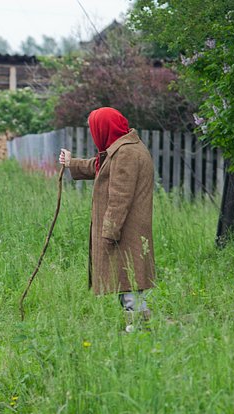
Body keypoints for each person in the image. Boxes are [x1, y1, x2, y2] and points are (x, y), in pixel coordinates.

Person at [59, 107, 156, 328]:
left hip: (126, 229)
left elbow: (120, 196)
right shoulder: (123, 149)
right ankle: (136, 325)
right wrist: (71, 163)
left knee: (130, 280)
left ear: (105, 129)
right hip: (128, 227)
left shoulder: (127, 154)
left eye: (95, 128)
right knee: (126, 277)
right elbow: (101, 167)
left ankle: (139, 327)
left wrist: (110, 230)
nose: (94, 134)